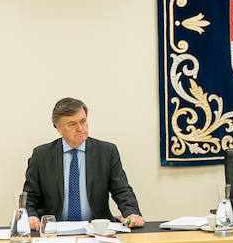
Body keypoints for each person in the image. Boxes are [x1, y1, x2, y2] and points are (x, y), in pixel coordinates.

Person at [22, 97, 144, 228]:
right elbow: (30, 197)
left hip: (97, 229)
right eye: (72, 124)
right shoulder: (42, 155)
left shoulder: (106, 152)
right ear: (58, 128)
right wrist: (31, 216)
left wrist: (132, 214)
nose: (81, 128)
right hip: (55, 230)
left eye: (83, 121)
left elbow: (121, 190)